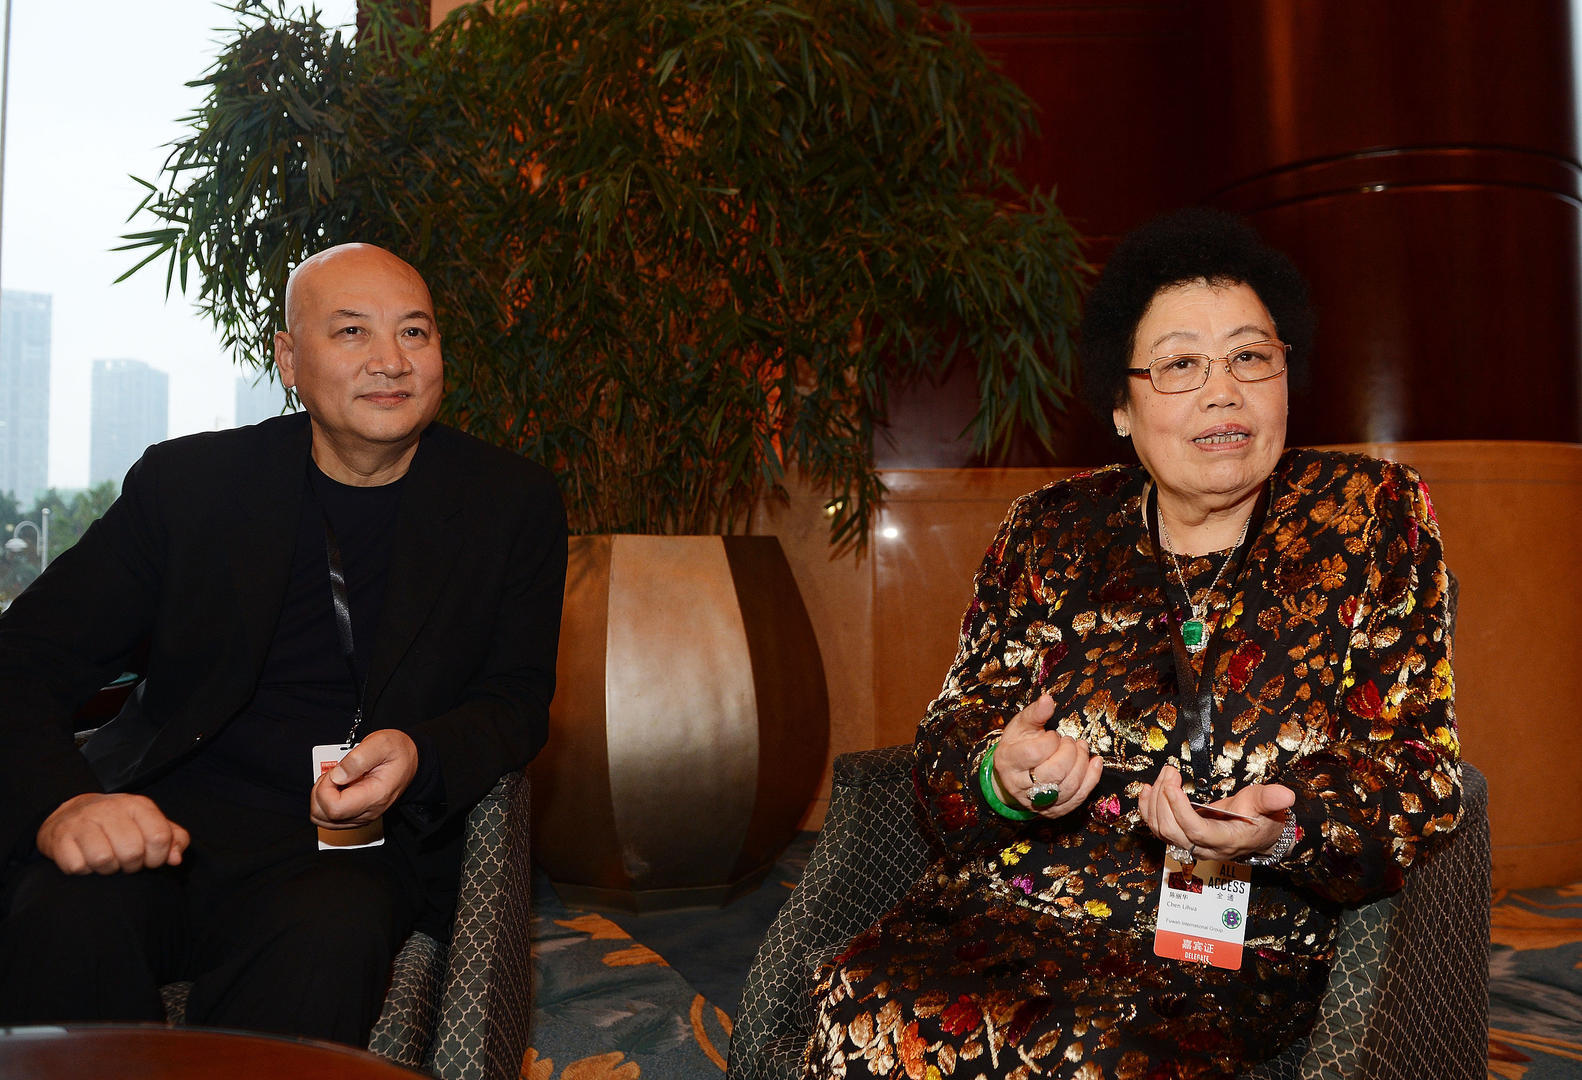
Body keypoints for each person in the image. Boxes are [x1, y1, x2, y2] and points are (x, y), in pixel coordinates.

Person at [804, 210, 1461, 1078]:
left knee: (1104, 1058)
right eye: (1181, 365)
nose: (1223, 392)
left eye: (1250, 357)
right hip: (1012, 910)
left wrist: (1281, 831)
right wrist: (1000, 774)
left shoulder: (1370, 517)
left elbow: (1418, 771)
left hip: (1237, 944)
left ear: (1286, 374)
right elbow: (951, 735)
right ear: (1121, 405)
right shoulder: (1050, 530)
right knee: (864, 996)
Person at [0, 243, 567, 1045]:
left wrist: (420, 753)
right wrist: (68, 804)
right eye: (351, 332)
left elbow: (515, 699)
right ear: (289, 360)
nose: (391, 361)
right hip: (163, 816)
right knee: (60, 915)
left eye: (414, 331)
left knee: (327, 939)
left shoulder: (510, 504)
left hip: (348, 848)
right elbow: (23, 657)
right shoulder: (190, 487)